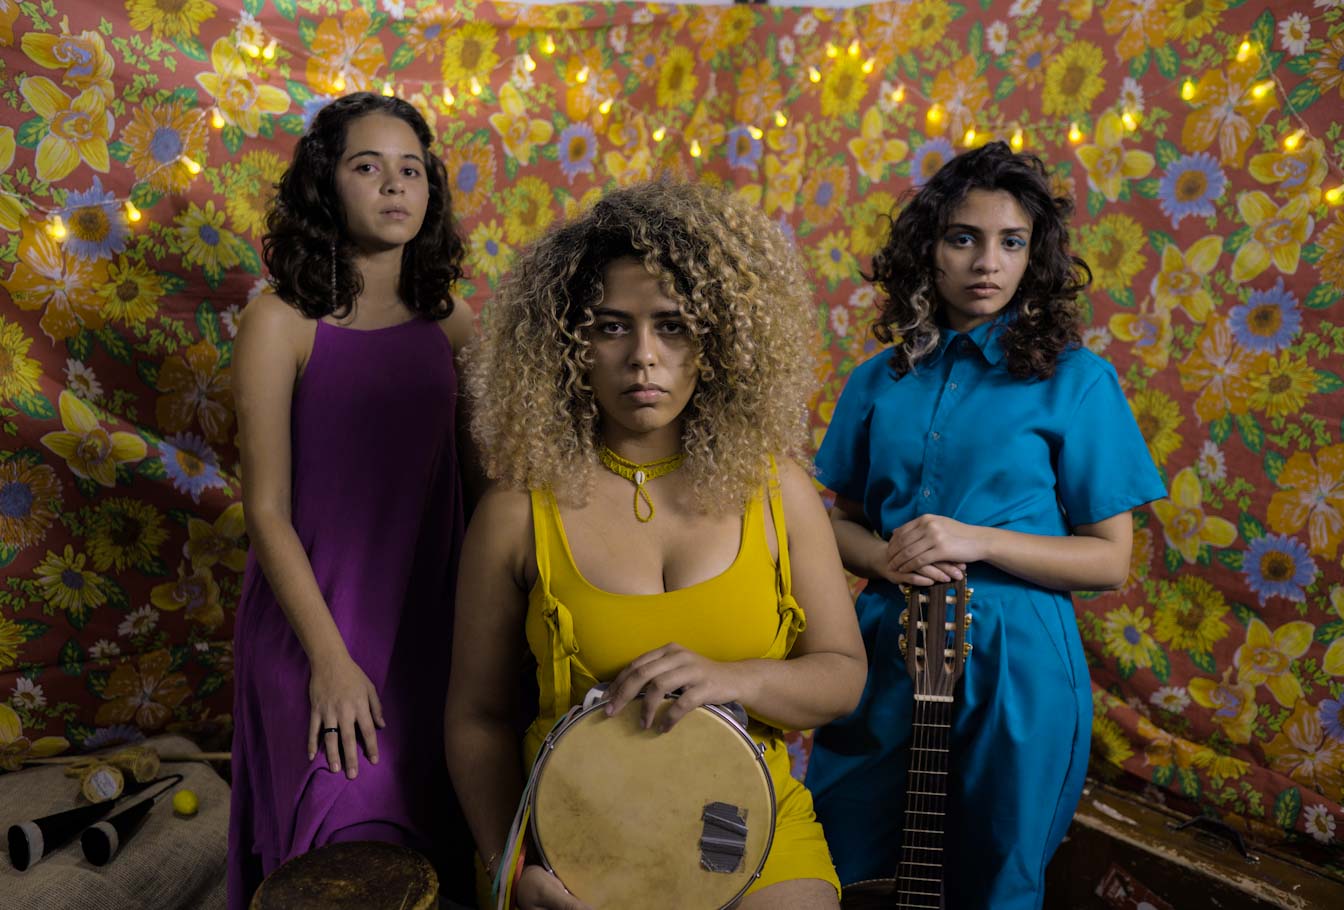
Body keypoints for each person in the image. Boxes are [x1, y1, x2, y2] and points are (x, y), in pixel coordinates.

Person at [444, 180, 866, 910]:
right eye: (611, 327)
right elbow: (477, 719)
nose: (643, 357)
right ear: (569, 344)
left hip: (747, 825)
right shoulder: (515, 512)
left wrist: (734, 678)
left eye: (672, 326)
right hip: (575, 841)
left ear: (717, 341)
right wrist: (510, 868)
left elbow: (843, 676)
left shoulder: (779, 490)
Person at [803, 141, 1166, 909]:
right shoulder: (878, 379)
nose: (986, 263)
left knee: (993, 876)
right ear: (927, 249)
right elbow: (839, 523)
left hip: (1017, 663)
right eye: (963, 238)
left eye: (1011, 242)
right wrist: (886, 558)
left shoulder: (1076, 380)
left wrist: (979, 540)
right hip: (885, 648)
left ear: (1034, 257)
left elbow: (1109, 561)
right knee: (838, 858)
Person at [229, 92, 477, 908]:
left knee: (440, 856)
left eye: (412, 170)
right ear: (323, 185)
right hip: (316, 630)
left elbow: (488, 493)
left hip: (432, 632)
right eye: (367, 167)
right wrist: (331, 664)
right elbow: (265, 509)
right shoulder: (280, 323)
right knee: (342, 853)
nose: (394, 185)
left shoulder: (454, 327)